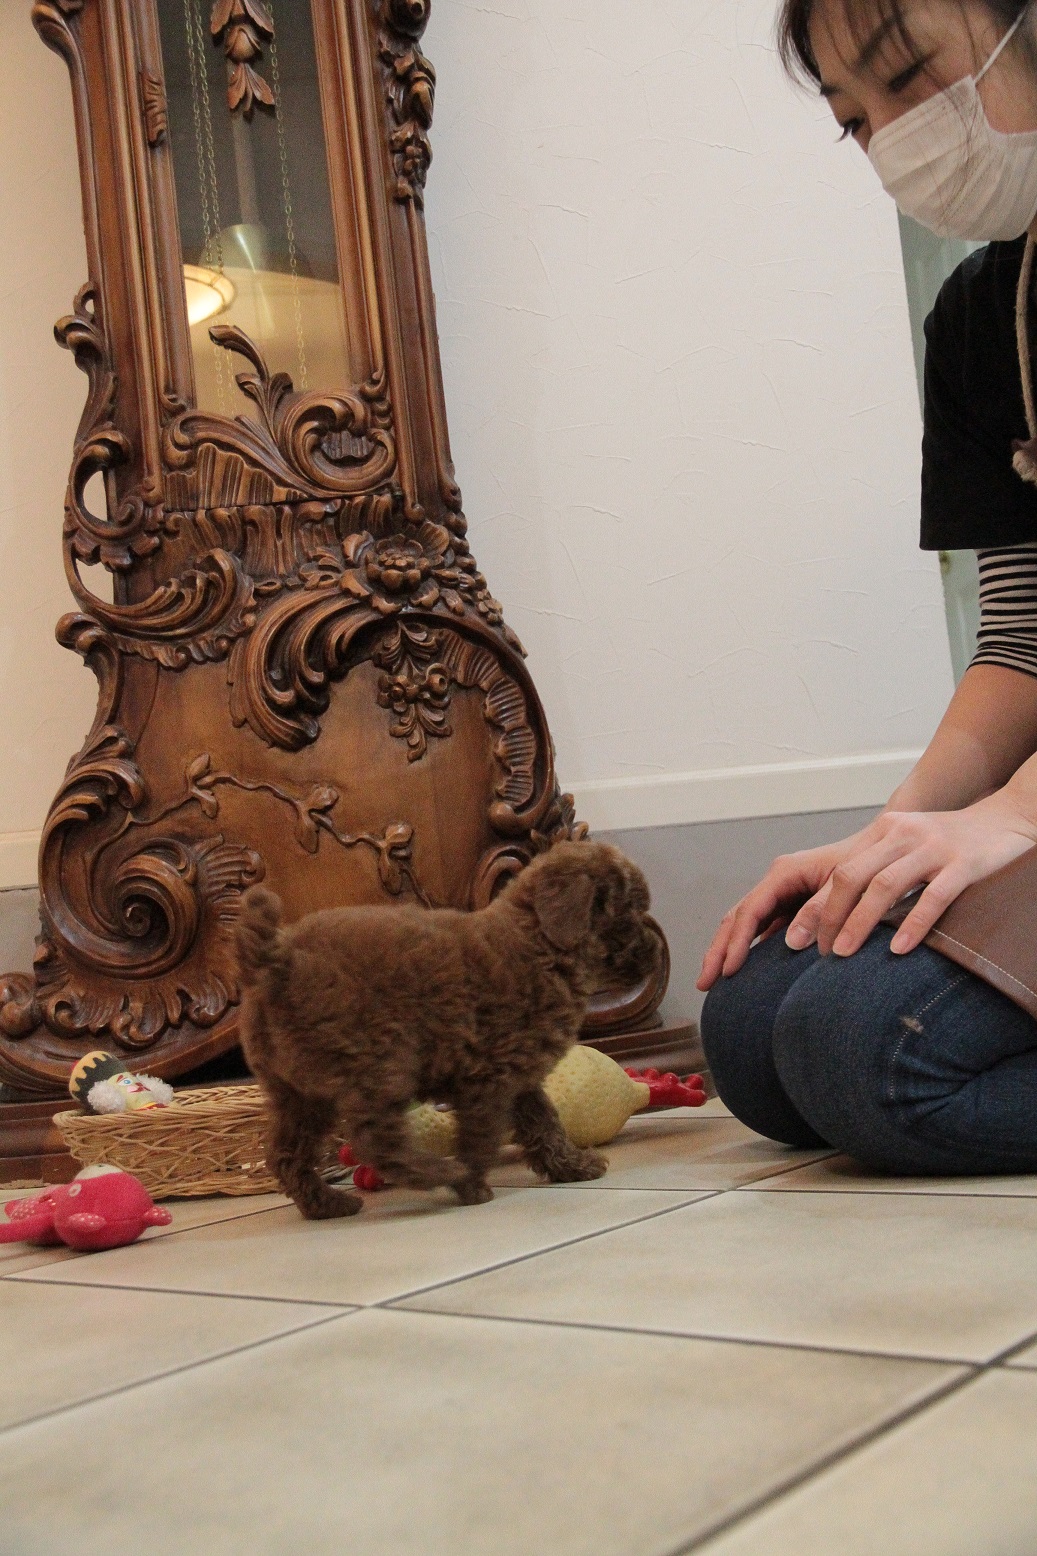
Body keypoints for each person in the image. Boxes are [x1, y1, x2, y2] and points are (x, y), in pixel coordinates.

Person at [698, 0, 1037, 1175]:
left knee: (871, 1058)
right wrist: (897, 832)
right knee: (752, 1034)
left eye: (908, 78)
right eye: (855, 118)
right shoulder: (981, 319)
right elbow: (1019, 638)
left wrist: (1011, 817)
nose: (895, 137)